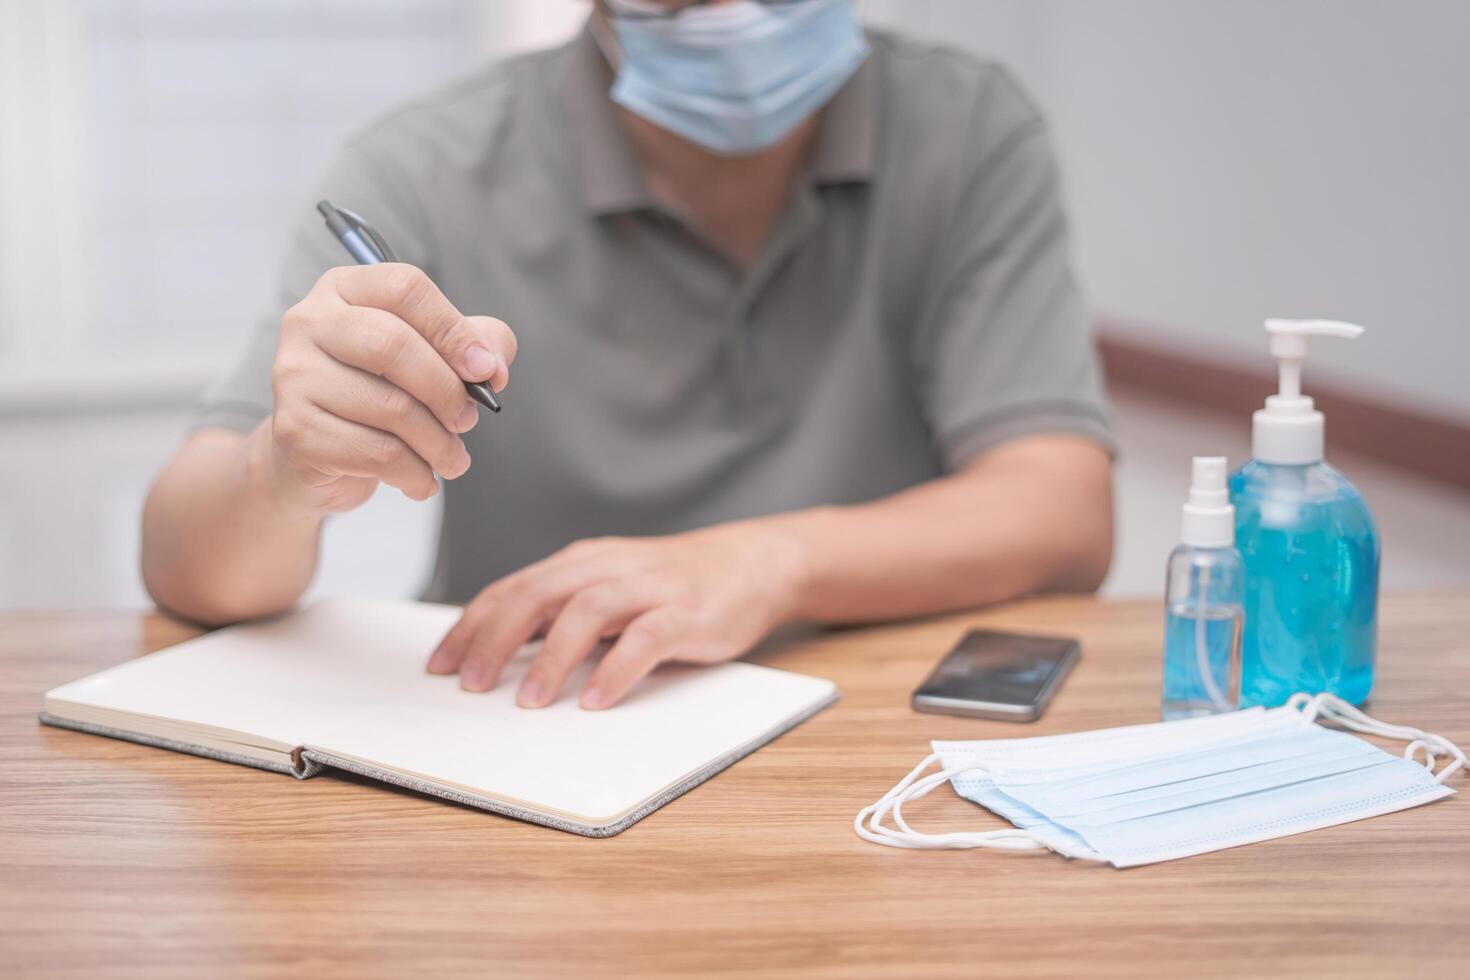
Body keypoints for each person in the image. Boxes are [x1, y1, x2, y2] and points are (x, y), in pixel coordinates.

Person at [141, 0, 1115, 710]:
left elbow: (1062, 508)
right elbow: (188, 567)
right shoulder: (423, 167)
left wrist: (771, 561)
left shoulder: (970, 127)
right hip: (523, 723)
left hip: (856, 727)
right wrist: (283, 469)